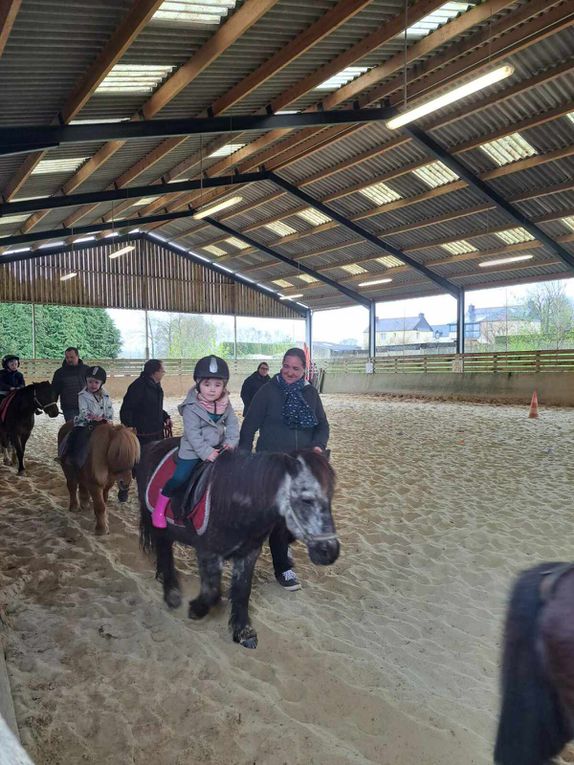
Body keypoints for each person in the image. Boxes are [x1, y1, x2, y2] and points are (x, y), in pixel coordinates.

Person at [239, 347, 329, 591]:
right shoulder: (267, 391)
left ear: (304, 370)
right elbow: (248, 428)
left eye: (295, 368)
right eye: (286, 366)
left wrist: (319, 446)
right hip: (271, 465)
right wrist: (243, 458)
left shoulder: (311, 394)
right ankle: (283, 567)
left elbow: (322, 426)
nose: (289, 372)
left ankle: (282, 548)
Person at [151, 355, 240, 529]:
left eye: (217, 385)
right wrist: (206, 452)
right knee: (180, 477)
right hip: (193, 450)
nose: (212, 390)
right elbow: (193, 434)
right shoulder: (191, 407)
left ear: (224, 386)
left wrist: (230, 442)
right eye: (207, 384)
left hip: (220, 448)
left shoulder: (226, 405)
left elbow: (232, 425)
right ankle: (160, 508)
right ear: (198, 384)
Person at [60, 366, 113, 467]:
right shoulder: (82, 395)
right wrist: (92, 418)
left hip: (103, 422)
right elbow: (83, 411)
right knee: (76, 434)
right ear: (86, 382)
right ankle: (69, 455)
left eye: (96, 382)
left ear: (101, 383)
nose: (93, 385)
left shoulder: (106, 395)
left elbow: (109, 408)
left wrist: (108, 419)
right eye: (90, 382)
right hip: (86, 422)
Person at [120, 359, 172, 449]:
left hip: (156, 432)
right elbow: (126, 408)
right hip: (143, 435)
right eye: (162, 371)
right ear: (154, 372)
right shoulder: (138, 386)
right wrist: (130, 426)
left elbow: (154, 407)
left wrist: (166, 417)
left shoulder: (156, 386)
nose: (164, 373)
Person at [51, 347, 89, 421]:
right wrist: (52, 405)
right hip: (69, 408)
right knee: (73, 430)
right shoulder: (59, 373)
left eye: (72, 357)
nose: (69, 360)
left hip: (87, 406)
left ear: (77, 356)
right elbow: (54, 391)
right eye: (67, 357)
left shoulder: (86, 370)